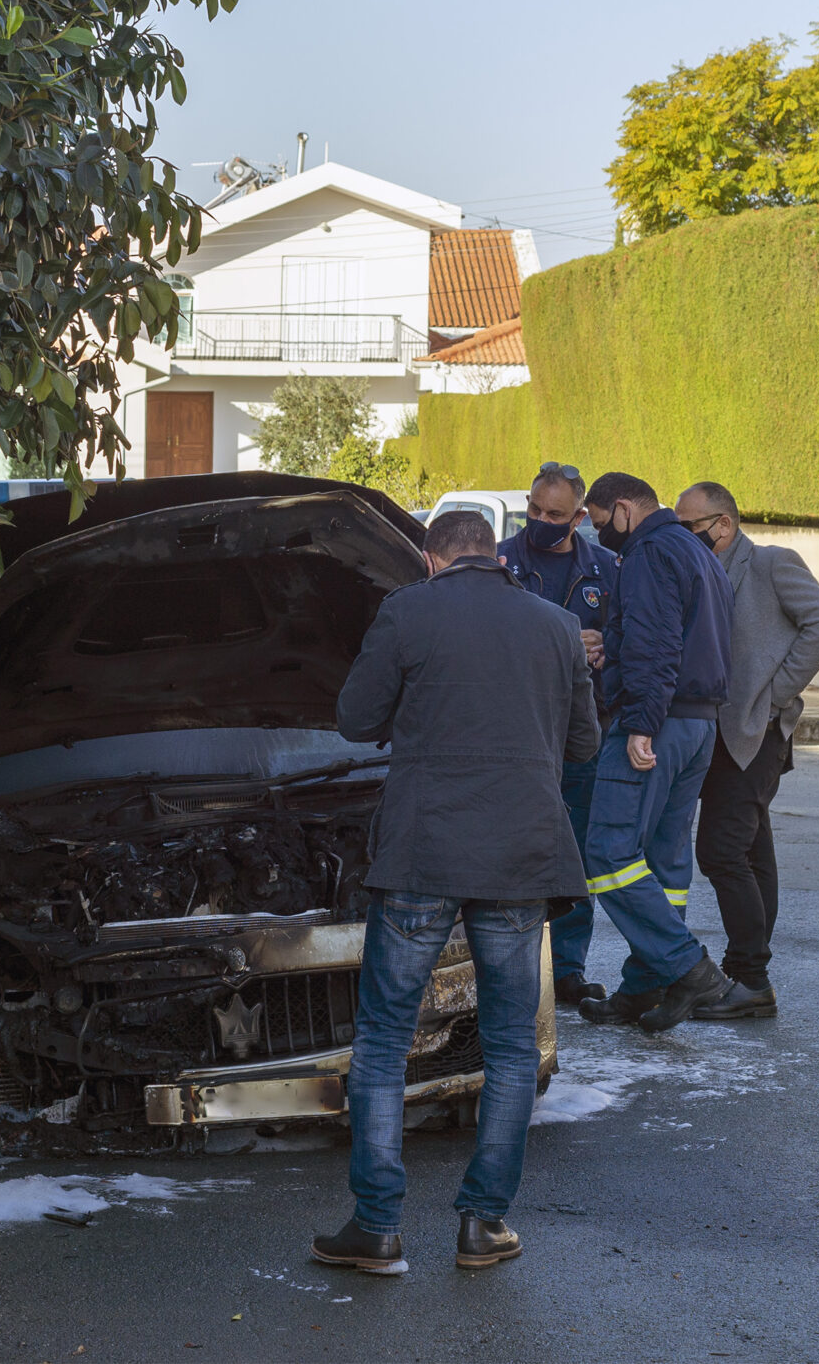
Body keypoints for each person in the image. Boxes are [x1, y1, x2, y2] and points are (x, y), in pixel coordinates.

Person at [315, 510, 599, 1276]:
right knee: (509, 1046)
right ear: (495, 553)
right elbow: (584, 746)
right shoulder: (557, 624)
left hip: (422, 852)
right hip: (520, 857)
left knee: (382, 1040)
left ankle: (376, 1228)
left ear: (433, 559)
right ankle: (483, 1224)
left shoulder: (409, 609)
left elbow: (355, 718)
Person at [675, 483, 819, 1020]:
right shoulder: (703, 570)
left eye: (691, 526)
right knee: (752, 852)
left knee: (721, 853)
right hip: (717, 731)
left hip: (753, 732)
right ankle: (746, 974)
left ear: (723, 525)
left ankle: (751, 978)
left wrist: (776, 693)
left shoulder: (772, 564)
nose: (685, 535)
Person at [577, 473, 735, 1034]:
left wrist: (641, 722)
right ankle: (648, 986)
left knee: (608, 854)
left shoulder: (646, 552)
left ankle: (689, 970)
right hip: (697, 725)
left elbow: (656, 641)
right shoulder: (698, 551)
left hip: (657, 723)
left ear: (622, 510)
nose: (599, 537)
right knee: (666, 863)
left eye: (599, 524)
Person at [495, 461, 616, 1006]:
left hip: (581, 728)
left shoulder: (606, 568)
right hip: (514, 727)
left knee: (576, 848)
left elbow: (634, 640)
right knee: (507, 847)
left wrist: (603, 649)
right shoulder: (497, 562)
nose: (542, 520)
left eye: (556, 514)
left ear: (579, 516)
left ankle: (567, 968)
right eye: (535, 510)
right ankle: (506, 967)